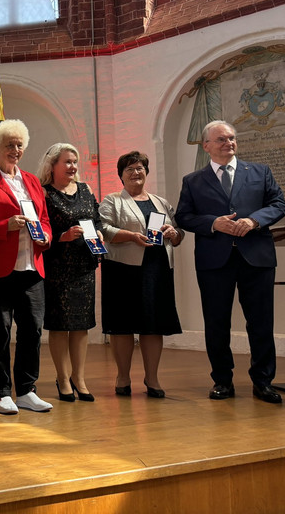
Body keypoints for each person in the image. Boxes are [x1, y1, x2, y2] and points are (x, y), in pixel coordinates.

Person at [175, 120, 285, 403]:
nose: (229, 143)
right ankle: (222, 381)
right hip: (215, 261)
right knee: (216, 322)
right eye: (222, 139)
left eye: (232, 138)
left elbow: (279, 204)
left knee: (260, 323)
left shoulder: (260, 172)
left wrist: (253, 220)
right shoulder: (193, 181)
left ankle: (263, 382)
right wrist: (214, 223)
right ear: (207, 146)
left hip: (256, 258)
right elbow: (183, 217)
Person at [0, 120, 53, 414]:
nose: (15, 150)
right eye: (9, 144)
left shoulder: (32, 181)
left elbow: (45, 218)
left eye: (19, 144)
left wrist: (46, 235)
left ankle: (26, 389)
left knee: (32, 329)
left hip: (31, 265)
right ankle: (1, 392)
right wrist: (4, 226)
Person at [99, 151, 184, 398]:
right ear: (121, 176)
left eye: (140, 168)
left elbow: (178, 231)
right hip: (122, 270)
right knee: (122, 326)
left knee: (153, 326)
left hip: (157, 270)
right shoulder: (112, 200)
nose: (136, 173)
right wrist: (131, 236)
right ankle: (123, 376)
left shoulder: (161, 201)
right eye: (130, 169)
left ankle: (152, 378)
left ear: (146, 172)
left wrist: (173, 233)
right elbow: (102, 228)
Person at [37, 143, 102, 402]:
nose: (73, 166)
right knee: (60, 326)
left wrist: (98, 231)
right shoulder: (44, 194)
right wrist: (62, 236)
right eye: (67, 161)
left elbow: (96, 218)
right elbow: (41, 229)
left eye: (75, 161)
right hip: (58, 267)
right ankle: (63, 379)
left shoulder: (85, 190)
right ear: (52, 165)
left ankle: (79, 378)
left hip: (84, 266)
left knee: (80, 326)